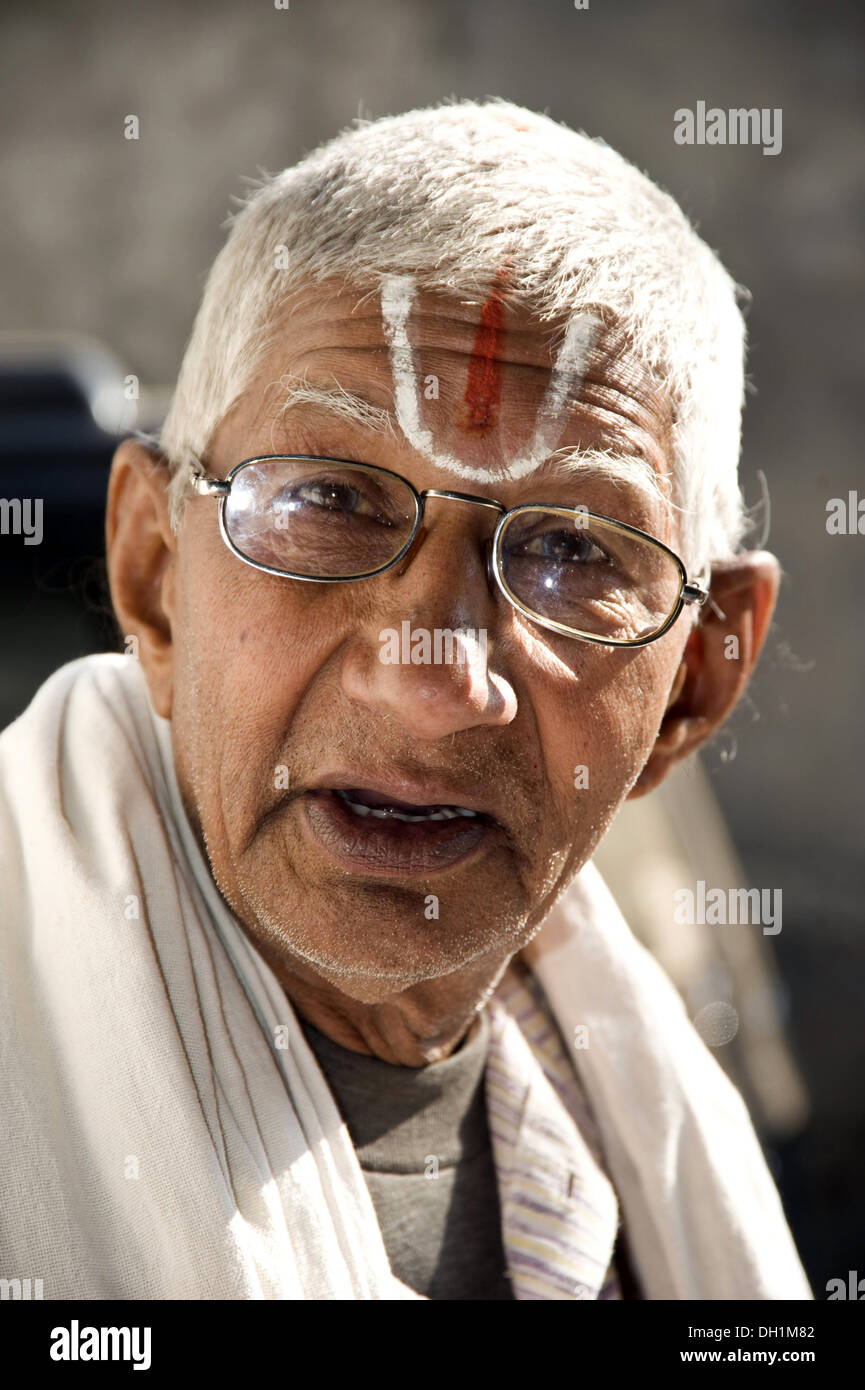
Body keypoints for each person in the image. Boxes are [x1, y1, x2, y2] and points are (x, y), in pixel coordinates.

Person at [0, 98, 811, 1300]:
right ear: (154, 579)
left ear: (693, 682)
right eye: (330, 501)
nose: (435, 684)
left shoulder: (656, 1164)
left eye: (575, 551)